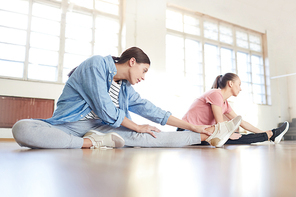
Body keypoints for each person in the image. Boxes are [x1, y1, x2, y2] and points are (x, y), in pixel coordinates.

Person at [12, 47, 241, 149]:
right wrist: (135, 126)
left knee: (150, 135)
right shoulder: (96, 65)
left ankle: (207, 138)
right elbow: (106, 110)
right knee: (22, 129)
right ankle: (91, 144)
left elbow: (151, 110)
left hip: (102, 128)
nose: (143, 77)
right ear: (132, 61)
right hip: (70, 126)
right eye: (144, 71)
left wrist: (193, 126)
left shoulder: (124, 88)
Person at [179, 73, 289, 145]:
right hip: (186, 131)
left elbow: (242, 123)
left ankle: (270, 135)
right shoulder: (215, 94)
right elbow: (220, 126)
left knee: (236, 136)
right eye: (239, 84)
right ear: (230, 84)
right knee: (233, 138)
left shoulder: (224, 103)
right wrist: (230, 134)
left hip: (203, 132)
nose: (240, 89)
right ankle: (271, 135)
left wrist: (263, 131)